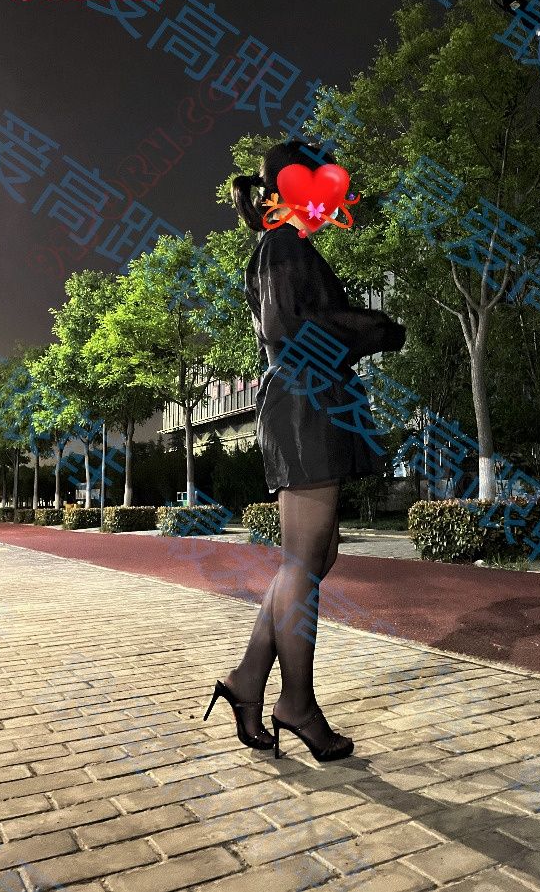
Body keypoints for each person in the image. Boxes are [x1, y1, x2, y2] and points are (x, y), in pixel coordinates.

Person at [203, 140, 406, 762]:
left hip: (308, 400)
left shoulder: (284, 246)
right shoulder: (283, 246)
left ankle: (246, 682)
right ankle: (297, 703)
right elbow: (293, 331)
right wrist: (375, 327)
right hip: (304, 402)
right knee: (303, 562)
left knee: (315, 556)